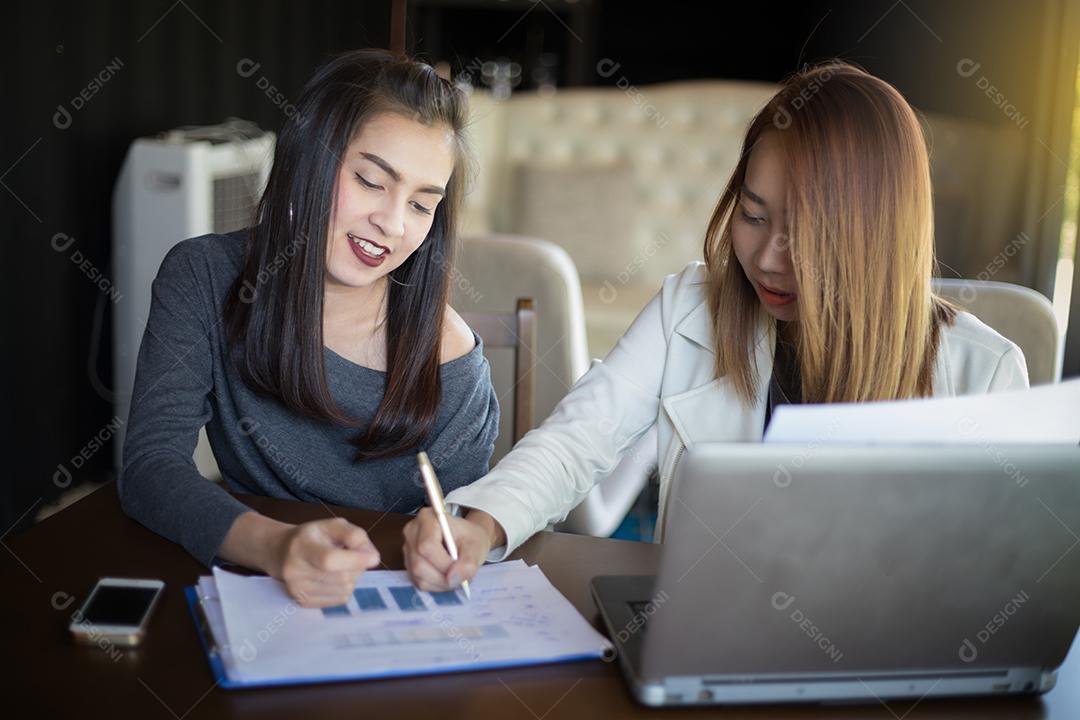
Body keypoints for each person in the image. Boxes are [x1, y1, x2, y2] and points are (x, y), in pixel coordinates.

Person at [402, 60, 1029, 592]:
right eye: (753, 216)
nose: (766, 258)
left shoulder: (984, 372)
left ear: (877, 237)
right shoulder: (689, 306)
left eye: (808, 233)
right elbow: (577, 439)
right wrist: (480, 524)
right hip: (701, 637)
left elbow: (1004, 579)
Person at [119, 50, 498, 608]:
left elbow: (461, 531)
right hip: (259, 587)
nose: (392, 223)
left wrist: (451, 545)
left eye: (421, 205)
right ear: (309, 160)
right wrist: (275, 547)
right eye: (371, 181)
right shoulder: (203, 277)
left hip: (393, 615)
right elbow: (150, 467)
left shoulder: (451, 356)